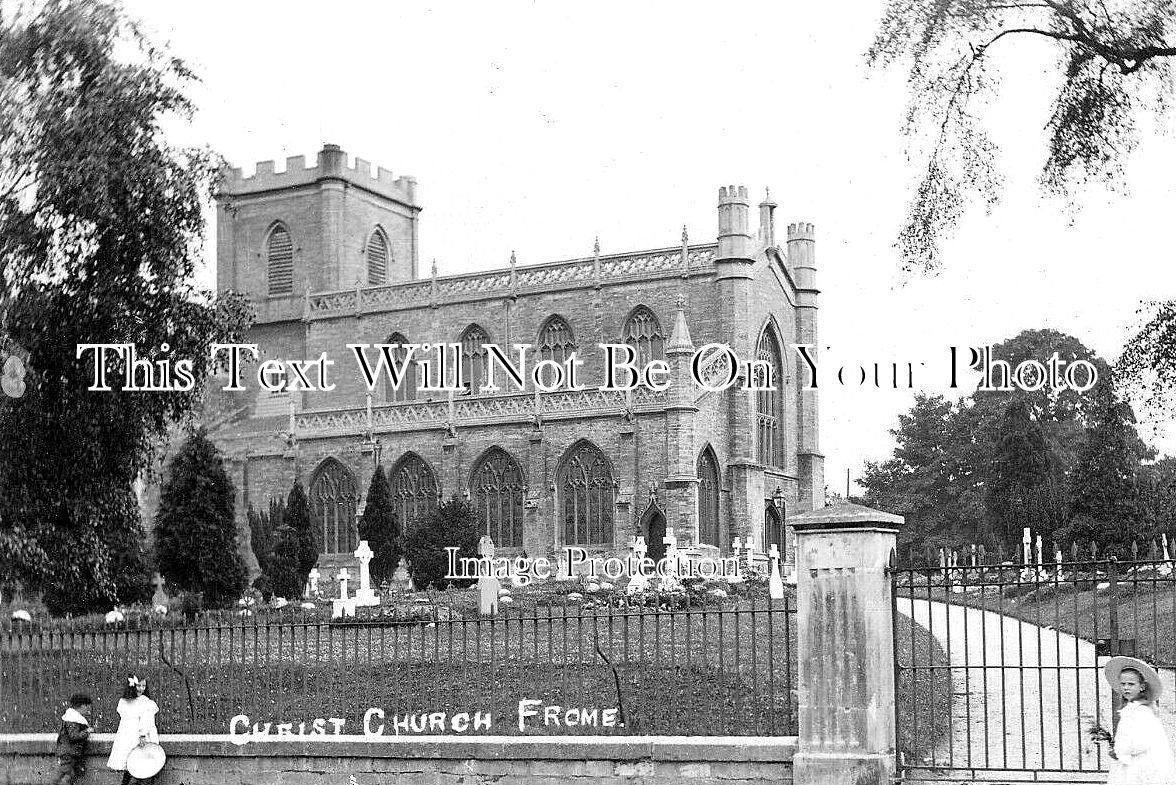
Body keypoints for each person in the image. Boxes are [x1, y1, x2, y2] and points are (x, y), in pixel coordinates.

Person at [1105, 656, 1176, 785]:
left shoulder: (1142, 711)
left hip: (1140, 764)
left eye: (1131, 684)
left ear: (1142, 687)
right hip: (1130, 760)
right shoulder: (1131, 708)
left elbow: (1141, 742)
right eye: (1123, 684)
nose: (1126, 688)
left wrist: (1120, 750)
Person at [106, 674, 159, 785]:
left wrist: (143, 734)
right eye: (138, 686)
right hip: (128, 735)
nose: (141, 689)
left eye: (144, 686)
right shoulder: (124, 702)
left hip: (139, 736)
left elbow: (146, 720)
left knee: (141, 765)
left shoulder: (145, 702)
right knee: (130, 764)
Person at [54, 692, 92, 785]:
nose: (88, 710)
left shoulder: (70, 718)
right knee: (68, 775)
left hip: (67, 752)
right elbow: (74, 736)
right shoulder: (73, 719)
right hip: (69, 753)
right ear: (82, 706)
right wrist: (87, 732)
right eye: (87, 707)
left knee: (66, 774)